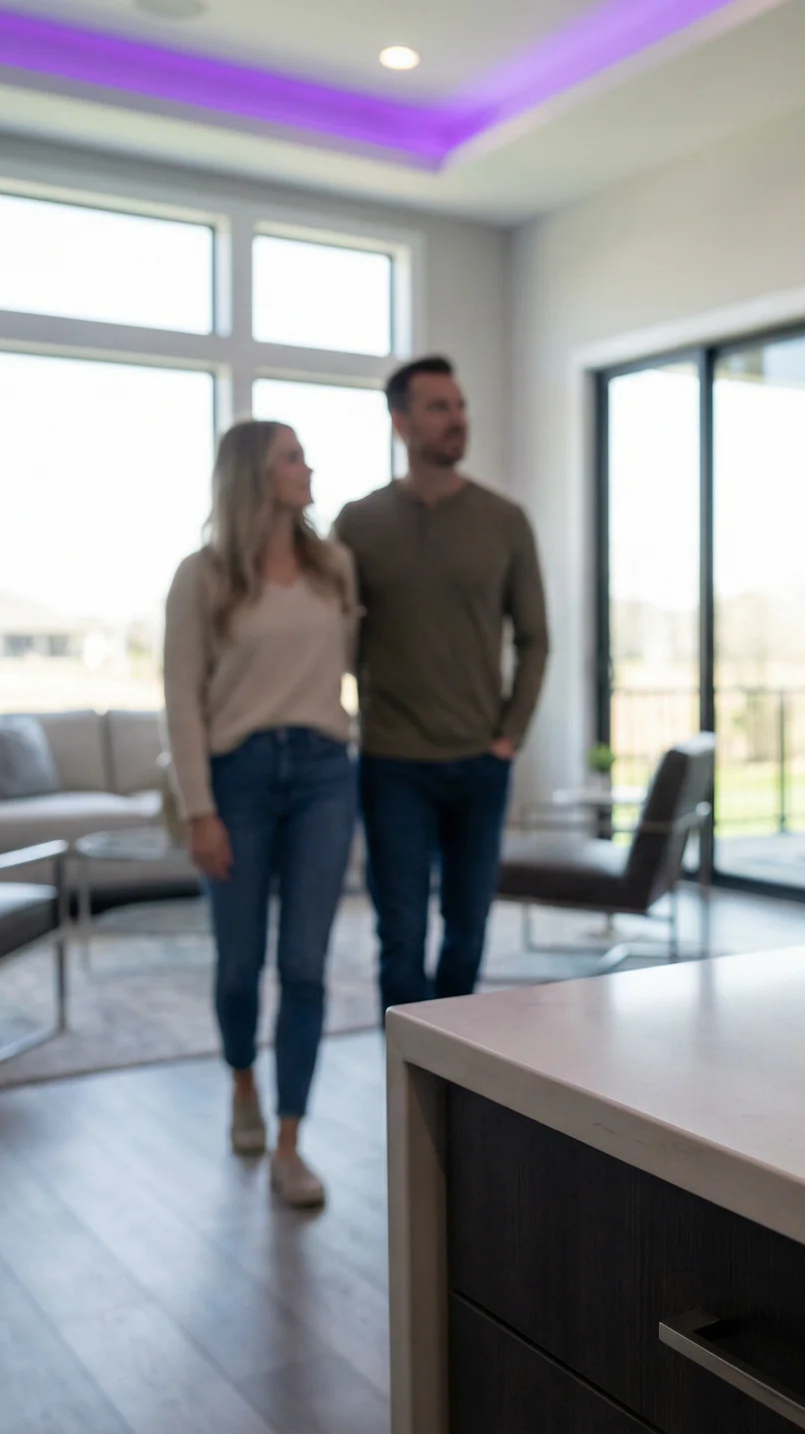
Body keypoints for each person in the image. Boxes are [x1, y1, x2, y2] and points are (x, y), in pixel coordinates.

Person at [163, 420, 359, 1210]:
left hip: (323, 775)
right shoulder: (201, 577)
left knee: (305, 965)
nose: (308, 468)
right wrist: (199, 810)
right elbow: (181, 700)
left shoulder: (334, 566)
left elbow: (353, 666)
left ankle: (290, 1141)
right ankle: (243, 1080)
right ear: (254, 475)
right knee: (239, 963)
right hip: (237, 778)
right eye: (292, 457)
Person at [333, 356, 548, 1013]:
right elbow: (333, 637)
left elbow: (535, 637)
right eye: (438, 408)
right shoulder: (358, 523)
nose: (458, 419)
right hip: (392, 762)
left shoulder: (504, 520)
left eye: (460, 406)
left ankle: (451, 1064)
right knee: (399, 936)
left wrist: (510, 735)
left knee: (467, 931)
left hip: (480, 762)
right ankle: (406, 1072)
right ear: (401, 423)